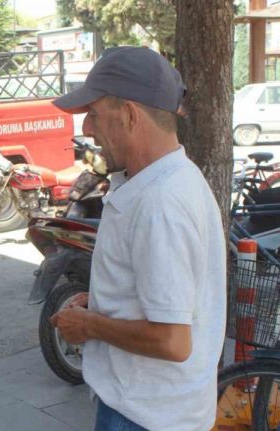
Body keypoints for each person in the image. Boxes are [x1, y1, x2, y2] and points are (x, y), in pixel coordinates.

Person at [50, 46, 225, 431]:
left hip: (145, 417)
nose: (87, 130)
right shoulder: (169, 180)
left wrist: (91, 326)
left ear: (129, 114)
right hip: (154, 410)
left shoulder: (161, 202)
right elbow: (169, 298)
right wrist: (103, 304)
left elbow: (172, 342)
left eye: (94, 115)